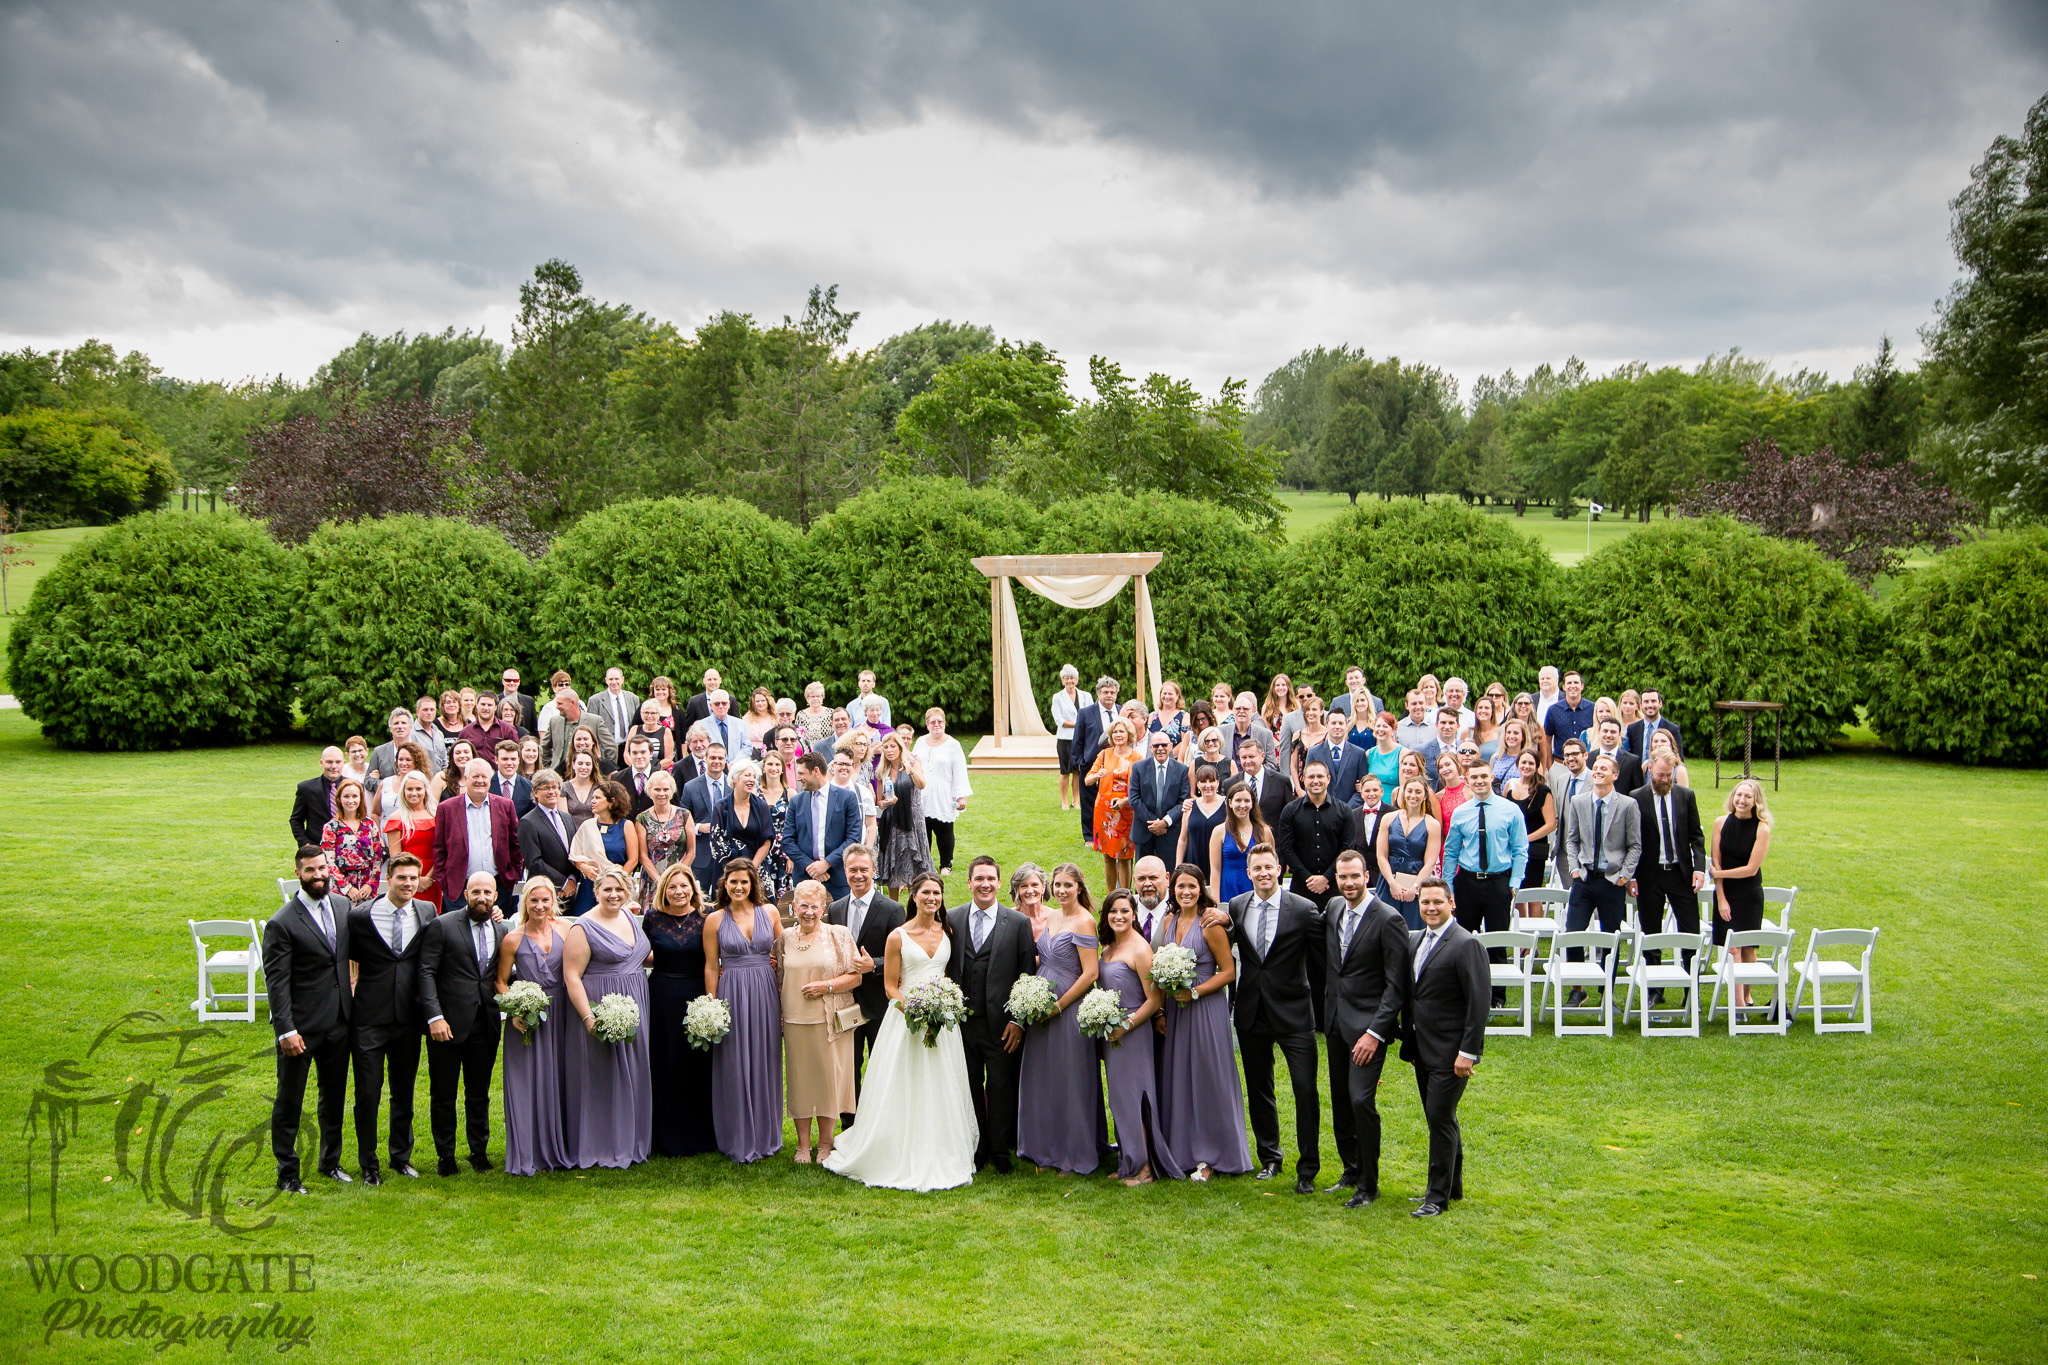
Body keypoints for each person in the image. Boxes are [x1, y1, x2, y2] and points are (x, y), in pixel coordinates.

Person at [820, 871, 976, 1189]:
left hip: (942, 1020)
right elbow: (891, 987)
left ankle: (941, 1146)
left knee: (941, 1083)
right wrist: (916, 1012)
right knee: (904, 1081)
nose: (932, 898)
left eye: (937, 893)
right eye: (926, 893)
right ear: (913, 896)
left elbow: (949, 974)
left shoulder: (948, 930)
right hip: (906, 1018)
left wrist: (939, 1011)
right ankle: (892, 1145)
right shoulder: (898, 936)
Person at [1226, 843, 1324, 1192]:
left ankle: (1308, 1169)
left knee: (1304, 1090)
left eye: (1269, 867)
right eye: (1257, 868)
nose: (1264, 873)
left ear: (1280, 869)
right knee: (1259, 1088)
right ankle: (1270, 1157)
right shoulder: (1237, 907)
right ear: (1248, 872)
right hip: (1252, 1011)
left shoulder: (1303, 909)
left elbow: (1323, 959)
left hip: (1295, 1012)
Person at [1321, 849, 1411, 1205]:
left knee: (1361, 1101)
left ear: (1367, 876)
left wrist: (1375, 1033)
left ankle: (1369, 1184)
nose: (1348, 883)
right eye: (1343, 877)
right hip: (1335, 1023)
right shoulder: (1332, 909)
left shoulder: (1388, 920)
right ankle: (1351, 1169)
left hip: (1368, 1030)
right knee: (1342, 1102)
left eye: (1354, 876)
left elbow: (1396, 985)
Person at [1395, 878, 1488, 1217]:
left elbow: (1479, 1003)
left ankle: (1436, 1197)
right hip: (1422, 1047)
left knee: (1439, 1117)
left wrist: (1468, 1052)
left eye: (1437, 901)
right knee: (1441, 1117)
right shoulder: (1415, 939)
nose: (1431, 908)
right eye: (1425, 902)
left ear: (1452, 903)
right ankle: (1454, 1185)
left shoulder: (1465, 944)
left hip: (1452, 1052)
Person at [265, 847, 354, 1192]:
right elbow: (277, 982)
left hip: (339, 1022)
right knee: (290, 1100)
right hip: (300, 1028)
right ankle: (287, 1173)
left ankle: (330, 1162)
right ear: (298, 873)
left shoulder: (343, 906)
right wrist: (285, 1029)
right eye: (310, 871)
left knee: (333, 1097)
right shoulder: (282, 922)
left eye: (321, 868)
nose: (318, 875)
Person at [1156, 865, 1250, 1181]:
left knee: (1208, 1078)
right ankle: (1182, 1151)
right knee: (1179, 1077)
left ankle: (1212, 1155)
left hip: (1205, 1009)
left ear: (1202, 888)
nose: (1186, 892)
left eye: (1192, 886)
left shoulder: (1209, 922)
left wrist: (1194, 991)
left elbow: (1228, 972)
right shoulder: (1168, 921)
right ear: (1173, 889)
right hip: (1176, 1010)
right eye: (1181, 886)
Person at [945, 856, 1038, 1173]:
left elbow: (1026, 975)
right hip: (963, 1023)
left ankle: (1000, 1149)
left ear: (999, 884)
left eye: (990, 878)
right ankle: (976, 1146)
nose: (985, 884)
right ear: (969, 882)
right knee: (968, 1085)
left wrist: (1017, 1020)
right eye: (978, 878)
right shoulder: (953, 919)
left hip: (1001, 1024)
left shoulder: (1017, 923)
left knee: (1000, 1086)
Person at [345, 853, 434, 1184]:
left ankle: (401, 1156)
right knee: (368, 1093)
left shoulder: (427, 912)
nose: (408, 884)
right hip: (369, 1016)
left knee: (404, 1090)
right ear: (388, 879)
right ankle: (369, 1163)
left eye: (413, 878)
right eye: (402, 878)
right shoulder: (361, 917)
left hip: (408, 1019)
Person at [1016, 863, 1105, 1176]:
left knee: (1070, 1080)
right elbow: (1045, 957)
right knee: (1043, 1077)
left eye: (1068, 885)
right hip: (1040, 1004)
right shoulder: (1052, 916)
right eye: (1057, 885)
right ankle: (1042, 1146)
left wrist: (1060, 1006)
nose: (1062, 890)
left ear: (1079, 887)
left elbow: (1090, 973)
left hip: (1068, 1010)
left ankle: (1073, 1150)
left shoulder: (1085, 922)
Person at [559, 870, 652, 1169]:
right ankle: (601, 1143)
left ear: (628, 892)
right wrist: (589, 1016)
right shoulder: (583, 927)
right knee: (601, 1074)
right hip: (601, 1005)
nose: (614, 895)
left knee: (633, 1070)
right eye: (607, 889)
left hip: (636, 1002)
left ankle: (631, 1139)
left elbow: (640, 957)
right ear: (596, 890)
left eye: (620, 889)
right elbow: (572, 976)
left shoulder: (629, 918)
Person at [418, 872, 508, 1176]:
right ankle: (445, 1155)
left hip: (485, 1023)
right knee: (444, 1093)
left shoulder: (502, 928)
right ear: (465, 894)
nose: (481, 898)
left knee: (479, 1092)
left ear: (495, 897)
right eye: (475, 892)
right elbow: (426, 972)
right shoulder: (442, 926)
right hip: (448, 1024)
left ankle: (478, 1152)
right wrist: (435, 1017)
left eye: (487, 892)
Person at [1095, 888, 1180, 1184]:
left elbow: (1154, 1000)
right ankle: (1128, 1161)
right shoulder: (1107, 948)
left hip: (1133, 1034)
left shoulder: (1141, 949)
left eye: (1124, 911)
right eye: (1113, 911)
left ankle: (1145, 1168)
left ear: (1134, 914)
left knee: (1135, 1098)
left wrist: (1126, 1025)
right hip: (1111, 1034)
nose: (1119, 916)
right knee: (1119, 1100)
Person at [774, 880, 860, 1162]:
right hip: (795, 1021)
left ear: (824, 908)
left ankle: (825, 1143)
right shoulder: (785, 938)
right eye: (803, 906)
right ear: (793, 907)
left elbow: (855, 976)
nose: (808, 912)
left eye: (814, 906)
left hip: (829, 1020)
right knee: (800, 1081)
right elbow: (776, 975)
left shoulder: (839, 935)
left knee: (827, 1082)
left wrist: (826, 986)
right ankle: (802, 1145)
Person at [703, 859, 784, 1163]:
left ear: (753, 884)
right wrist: (712, 1004)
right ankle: (737, 1134)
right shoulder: (714, 920)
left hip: (764, 992)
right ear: (724, 884)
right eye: (733, 882)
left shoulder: (770, 912)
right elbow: (712, 965)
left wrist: (775, 964)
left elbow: (782, 950)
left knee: (765, 1058)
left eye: (744, 882)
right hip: (732, 992)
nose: (738, 887)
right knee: (734, 1061)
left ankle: (766, 1134)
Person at [495, 877, 571, 1176]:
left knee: (562, 1077)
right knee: (527, 1082)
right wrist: (516, 1008)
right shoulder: (513, 938)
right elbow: (501, 981)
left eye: (545, 900)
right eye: (533, 900)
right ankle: (527, 1151)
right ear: (525, 902)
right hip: (527, 1017)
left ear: (554, 901)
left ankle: (560, 1146)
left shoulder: (567, 929)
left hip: (563, 1011)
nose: (539, 906)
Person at [1443, 757, 1529, 1004]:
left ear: (1492, 778)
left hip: (1498, 883)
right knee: (1463, 939)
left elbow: (1520, 848)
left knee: (1497, 939)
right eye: (1474, 777)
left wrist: (1515, 882)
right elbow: (1451, 852)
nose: (1479, 781)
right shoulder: (1461, 812)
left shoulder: (1510, 810)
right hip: (1468, 882)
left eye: (1484, 776)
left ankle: (1497, 995)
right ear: (1467, 780)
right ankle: (1464, 991)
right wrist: (1449, 887)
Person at [645, 866, 718, 1157]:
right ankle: (664, 1137)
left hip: (697, 996)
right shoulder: (652, 919)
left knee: (697, 1064)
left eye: (684, 886)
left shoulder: (707, 917)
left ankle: (700, 1134)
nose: (679, 892)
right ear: (664, 890)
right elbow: (642, 955)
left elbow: (715, 957)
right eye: (672, 886)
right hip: (661, 997)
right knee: (665, 1063)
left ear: (693, 888)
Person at [826, 844, 901, 1105]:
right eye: (852, 870)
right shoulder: (835, 909)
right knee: (848, 1067)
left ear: (874, 871)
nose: (858, 875)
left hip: (880, 1002)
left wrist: (876, 965)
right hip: (846, 1003)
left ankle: (881, 1122)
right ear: (844, 871)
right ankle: (850, 1124)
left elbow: (902, 956)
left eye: (864, 870)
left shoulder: (892, 909)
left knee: (883, 1067)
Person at [1563, 755, 1642, 999]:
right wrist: (1574, 869)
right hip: (1584, 879)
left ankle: (1606, 990)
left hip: (1612, 880)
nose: (1598, 771)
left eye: (1604, 769)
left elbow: (1635, 845)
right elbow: (1572, 839)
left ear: (1614, 775)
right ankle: (1578, 989)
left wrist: (1624, 876)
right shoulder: (1578, 801)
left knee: (1611, 936)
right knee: (1573, 932)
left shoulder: (1628, 805)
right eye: (1595, 768)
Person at [1631, 751, 1707, 993]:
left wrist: (1699, 869)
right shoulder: (1636, 798)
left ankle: (1690, 991)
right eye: (1660, 775)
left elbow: (1696, 836)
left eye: (1668, 775)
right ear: (1651, 770)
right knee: (1651, 932)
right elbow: (1631, 840)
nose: (1664, 780)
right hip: (1649, 875)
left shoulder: (1685, 796)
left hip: (1681, 874)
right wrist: (1631, 875)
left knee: (1690, 932)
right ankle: (1655, 990)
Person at [1711, 778, 1774, 1008]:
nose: (1742, 800)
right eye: (1739, 795)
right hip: (1725, 893)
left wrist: (1719, 874)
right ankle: (1738, 1005)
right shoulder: (1720, 823)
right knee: (1733, 947)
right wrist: (1721, 898)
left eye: (1748, 796)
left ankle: (1747, 995)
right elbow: (1715, 860)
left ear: (1756, 801)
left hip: (1748, 894)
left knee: (1747, 947)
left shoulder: (1762, 828)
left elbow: (1751, 869)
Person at [433, 758, 523, 910]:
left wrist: (513, 874)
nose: (480, 781)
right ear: (466, 779)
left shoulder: (505, 805)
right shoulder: (446, 808)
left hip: (498, 887)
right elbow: (439, 848)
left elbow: (515, 844)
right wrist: (444, 881)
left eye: (484, 776)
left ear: (490, 779)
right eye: (475, 776)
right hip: (459, 888)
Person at [779, 751, 861, 903]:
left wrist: (827, 863)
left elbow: (853, 839)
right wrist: (811, 867)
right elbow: (787, 841)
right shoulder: (796, 801)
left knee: (838, 925)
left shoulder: (847, 798)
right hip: (805, 878)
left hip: (836, 877)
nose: (799, 778)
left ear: (816, 771)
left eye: (802, 773)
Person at [1276, 759, 1352, 903]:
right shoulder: (1290, 811)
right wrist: (1308, 878)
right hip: (1301, 886)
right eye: (1311, 777)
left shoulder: (1344, 811)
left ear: (1328, 779)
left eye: (1320, 776)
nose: (1315, 781)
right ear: (1303, 779)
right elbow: (1286, 848)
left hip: (1334, 885)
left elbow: (1346, 849)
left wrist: (1326, 878)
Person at [911, 708, 972, 876]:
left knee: (944, 831)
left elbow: (960, 771)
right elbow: (913, 766)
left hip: (943, 794)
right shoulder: (921, 742)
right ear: (927, 724)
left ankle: (946, 864)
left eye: (939, 722)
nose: (936, 725)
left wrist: (961, 796)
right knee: (923, 831)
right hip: (922, 794)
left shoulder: (953, 745)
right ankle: (925, 863)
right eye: (932, 722)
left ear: (944, 723)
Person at [1377, 777, 1442, 930]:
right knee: (1384, 925)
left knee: (1413, 927)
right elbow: (1381, 855)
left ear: (1425, 796)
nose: (1413, 795)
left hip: (1416, 879)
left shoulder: (1432, 824)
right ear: (1403, 793)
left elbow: (1430, 862)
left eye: (1418, 792)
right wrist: (1392, 883)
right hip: (1389, 878)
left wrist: (1415, 888)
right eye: (1410, 791)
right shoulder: (1388, 818)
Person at [568, 780, 641, 916]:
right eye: (593, 798)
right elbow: (575, 855)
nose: (593, 801)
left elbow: (633, 860)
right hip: (589, 886)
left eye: (597, 798)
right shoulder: (587, 826)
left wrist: (616, 880)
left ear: (611, 802)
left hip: (617, 886)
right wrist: (584, 867)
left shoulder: (626, 825)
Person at [871, 732, 931, 897]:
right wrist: (886, 803)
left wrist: (910, 770)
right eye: (886, 747)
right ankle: (893, 907)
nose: (889, 750)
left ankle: (914, 906)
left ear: (900, 747)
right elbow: (879, 801)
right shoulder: (882, 770)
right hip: (892, 821)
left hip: (912, 819)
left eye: (893, 746)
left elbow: (922, 785)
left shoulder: (912, 762)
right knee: (893, 865)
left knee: (913, 863)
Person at [1083, 719, 1139, 891]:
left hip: (1126, 809)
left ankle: (1124, 894)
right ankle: (1110, 895)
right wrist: (1096, 775)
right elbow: (1087, 780)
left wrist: (1125, 801)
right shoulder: (1104, 755)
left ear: (1129, 734)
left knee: (1124, 856)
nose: (1118, 735)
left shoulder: (1136, 758)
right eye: (1115, 732)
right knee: (1107, 856)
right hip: (1104, 810)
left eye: (1121, 731)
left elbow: (1140, 788)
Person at [1128, 727, 1190, 871]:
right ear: (1151, 747)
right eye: (1156, 745)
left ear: (1171, 746)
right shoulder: (1139, 767)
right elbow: (1134, 799)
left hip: (1170, 832)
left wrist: (1165, 822)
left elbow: (1184, 800)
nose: (1160, 748)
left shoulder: (1181, 770)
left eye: (1164, 745)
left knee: (1168, 873)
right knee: (1143, 874)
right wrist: (1155, 823)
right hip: (1144, 829)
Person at [517, 771, 578, 909]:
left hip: (571, 892)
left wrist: (572, 880)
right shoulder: (527, 822)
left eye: (555, 787)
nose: (552, 791)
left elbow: (575, 852)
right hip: (543, 895)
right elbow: (534, 862)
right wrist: (563, 883)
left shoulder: (567, 818)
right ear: (535, 792)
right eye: (546, 788)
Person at [1071, 677, 1121, 843]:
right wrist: (1079, 762)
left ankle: (1110, 832)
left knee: (1112, 799)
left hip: (1117, 764)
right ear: (1098, 693)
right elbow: (1078, 739)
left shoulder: (1121, 712)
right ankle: (1090, 837)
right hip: (1091, 764)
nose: (1109, 695)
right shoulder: (1085, 713)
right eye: (1105, 692)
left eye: (1112, 692)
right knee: (1088, 802)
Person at [634, 770, 694, 908]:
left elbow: (691, 852)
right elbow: (643, 856)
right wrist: (661, 881)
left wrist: (676, 876)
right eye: (657, 789)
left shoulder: (685, 815)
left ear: (672, 791)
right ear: (649, 791)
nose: (662, 793)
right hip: (652, 880)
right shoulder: (641, 819)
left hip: (680, 877)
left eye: (666, 789)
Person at [721, 758, 779, 899]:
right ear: (735, 778)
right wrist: (736, 873)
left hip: (756, 868)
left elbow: (767, 840)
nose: (752, 779)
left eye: (754, 776)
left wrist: (751, 868)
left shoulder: (762, 806)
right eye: (747, 775)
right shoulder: (720, 807)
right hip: (729, 871)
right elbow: (717, 844)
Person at [679, 740, 732, 895]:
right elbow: (681, 820)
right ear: (706, 759)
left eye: (720, 758)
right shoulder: (691, 787)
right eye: (713, 758)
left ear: (725, 760)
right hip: (701, 854)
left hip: (727, 855)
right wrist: (697, 827)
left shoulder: (734, 787)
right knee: (699, 899)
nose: (717, 761)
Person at [321, 779, 382, 907]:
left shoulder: (369, 824)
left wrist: (370, 884)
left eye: (355, 796)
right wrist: (347, 888)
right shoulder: (331, 827)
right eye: (346, 796)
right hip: (342, 888)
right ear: (339, 799)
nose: (351, 800)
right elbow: (328, 862)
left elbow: (377, 857)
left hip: (366, 888)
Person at [1507, 750, 1558, 894]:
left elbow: (1551, 824)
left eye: (1531, 763)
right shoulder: (1510, 785)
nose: (1527, 766)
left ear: (1536, 766)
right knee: (1516, 893)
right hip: (1512, 849)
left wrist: (1526, 839)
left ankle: (1535, 918)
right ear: (1517, 764)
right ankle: (1518, 918)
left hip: (1534, 849)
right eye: (1524, 762)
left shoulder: (1543, 791)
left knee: (1533, 894)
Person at [1208, 782, 1267, 904]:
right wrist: (1216, 903)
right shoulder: (1219, 831)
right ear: (1230, 803)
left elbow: (1269, 866)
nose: (1242, 805)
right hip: (1228, 889)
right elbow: (1215, 870)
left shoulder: (1264, 832)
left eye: (1247, 801)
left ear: (1252, 803)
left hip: (1255, 888)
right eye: (1238, 800)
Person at [1548, 736, 1591, 885]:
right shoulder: (1562, 779)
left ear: (1585, 755)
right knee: (1571, 900)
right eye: (1567, 755)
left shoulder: (1596, 779)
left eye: (1575, 754)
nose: (1570, 758)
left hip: (1590, 854)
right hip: (1565, 854)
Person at [1175, 763, 1227, 888]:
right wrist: (1178, 866)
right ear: (1197, 784)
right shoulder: (1190, 806)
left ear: (1218, 783)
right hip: (1194, 862)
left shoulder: (1227, 805)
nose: (1208, 785)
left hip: (1219, 864)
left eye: (1211, 781)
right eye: (1203, 781)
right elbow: (1183, 838)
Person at [290, 747, 346, 848]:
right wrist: (305, 843)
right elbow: (296, 820)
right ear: (321, 763)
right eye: (329, 762)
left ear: (343, 763)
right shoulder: (306, 788)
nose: (334, 766)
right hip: (317, 847)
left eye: (338, 762)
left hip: (347, 847)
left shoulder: (353, 787)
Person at [1542, 670, 1596, 764]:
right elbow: (1547, 739)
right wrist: (1550, 765)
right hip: (1561, 764)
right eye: (1569, 683)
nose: (1573, 686)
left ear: (1582, 686)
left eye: (1576, 682)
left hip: (1587, 764)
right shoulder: (1553, 710)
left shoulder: (1593, 709)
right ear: (1564, 687)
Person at [1218, 692, 1278, 768]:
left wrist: (1253, 775)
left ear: (1253, 711)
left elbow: (1271, 765)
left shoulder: (1265, 734)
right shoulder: (1221, 732)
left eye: (1245, 709)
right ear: (1233, 711)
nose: (1241, 711)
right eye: (1238, 708)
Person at [1589, 717, 1644, 793]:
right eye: (1605, 731)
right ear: (1599, 733)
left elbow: (1638, 792)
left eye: (1613, 732)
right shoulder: (1588, 758)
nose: (1608, 735)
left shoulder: (1632, 761)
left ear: (1620, 735)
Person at [459, 692, 519, 761]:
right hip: (474, 771)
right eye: (483, 704)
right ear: (476, 706)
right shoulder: (466, 732)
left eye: (489, 705)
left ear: (495, 707)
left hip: (498, 771)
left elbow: (516, 755)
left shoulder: (508, 730)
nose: (486, 708)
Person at [1628, 687, 1685, 758]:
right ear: (1641, 705)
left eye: (1653, 701)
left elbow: (1679, 758)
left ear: (1660, 704)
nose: (1650, 705)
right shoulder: (1632, 729)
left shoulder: (1672, 729)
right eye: (1646, 702)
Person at [590, 667, 641, 746]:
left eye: (617, 679)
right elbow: (591, 727)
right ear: (606, 680)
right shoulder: (595, 700)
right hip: (606, 748)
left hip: (629, 746)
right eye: (611, 679)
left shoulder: (633, 699)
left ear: (622, 680)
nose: (614, 682)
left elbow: (638, 724)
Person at [488, 739, 533, 818]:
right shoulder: (487, 784)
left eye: (513, 759)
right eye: (505, 759)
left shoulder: (529, 786)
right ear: (496, 760)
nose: (509, 763)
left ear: (518, 760)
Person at [1149, 679, 1192, 761]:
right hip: (1153, 760)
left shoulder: (1184, 717)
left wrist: (1169, 755)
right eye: (1164, 693)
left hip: (1174, 760)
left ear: (1177, 696)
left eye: (1170, 694)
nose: (1167, 696)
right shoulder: (1152, 716)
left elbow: (1186, 741)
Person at [624, 700, 674, 770]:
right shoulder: (635, 729)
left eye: (653, 713)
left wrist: (650, 770)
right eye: (646, 712)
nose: (649, 716)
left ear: (658, 715)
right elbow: (626, 754)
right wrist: (637, 768)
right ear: (641, 714)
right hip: (636, 770)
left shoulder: (666, 731)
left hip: (658, 772)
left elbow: (668, 758)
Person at [432, 739, 477, 809]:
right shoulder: (441, 777)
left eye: (466, 752)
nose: (462, 755)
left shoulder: (480, 779)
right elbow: (431, 806)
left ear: (473, 755)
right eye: (458, 753)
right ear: (452, 757)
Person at [845, 669, 893, 735]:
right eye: (863, 681)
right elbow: (848, 729)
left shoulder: (883, 702)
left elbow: (887, 726)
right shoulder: (851, 706)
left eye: (868, 681)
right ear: (859, 683)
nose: (866, 683)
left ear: (874, 684)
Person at [680, 668, 720, 737]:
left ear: (720, 680)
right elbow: (688, 727)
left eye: (715, 679)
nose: (712, 682)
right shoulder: (694, 702)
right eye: (709, 679)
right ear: (704, 681)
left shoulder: (730, 700)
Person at [1469, 695, 1503, 763]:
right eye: (1480, 708)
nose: (1483, 711)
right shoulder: (1468, 732)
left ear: (1492, 711)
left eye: (1487, 708)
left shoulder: (1502, 732)